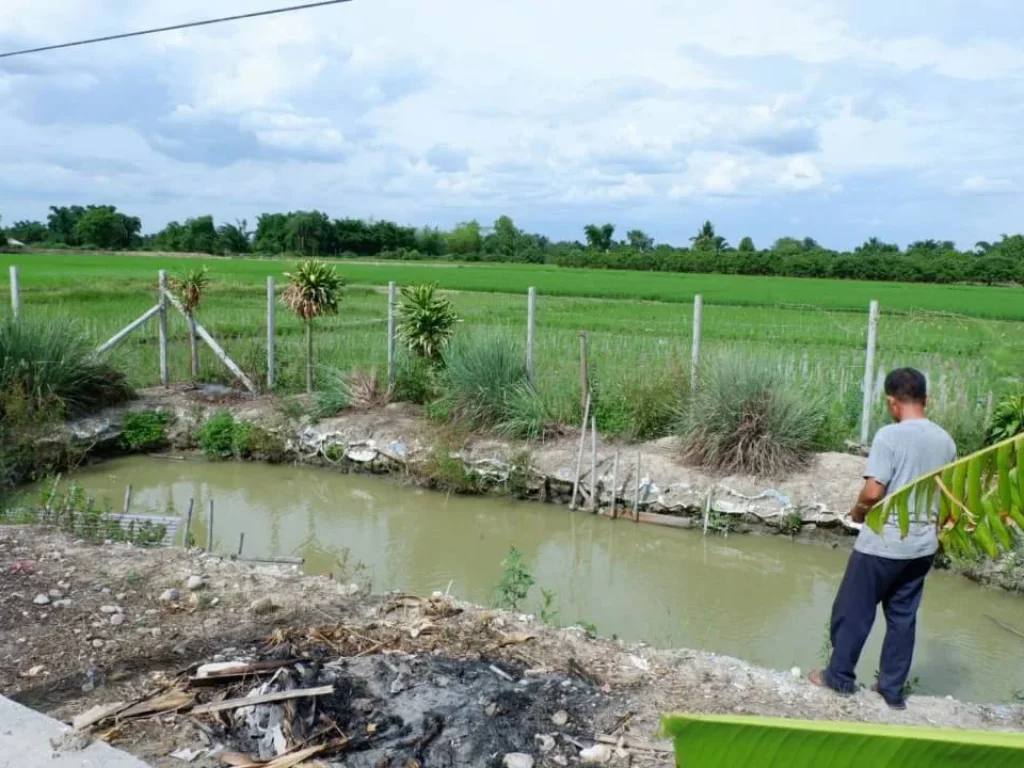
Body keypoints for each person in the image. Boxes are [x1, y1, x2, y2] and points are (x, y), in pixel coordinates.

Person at [810, 367, 956, 709]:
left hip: (884, 544)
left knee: (852, 610)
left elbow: (875, 490)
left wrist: (858, 510)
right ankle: (891, 690)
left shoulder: (890, 436)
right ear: (926, 399)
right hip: (921, 547)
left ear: (893, 403)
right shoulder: (946, 441)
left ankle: (839, 677)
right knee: (902, 618)